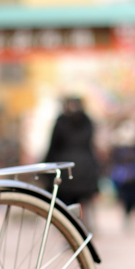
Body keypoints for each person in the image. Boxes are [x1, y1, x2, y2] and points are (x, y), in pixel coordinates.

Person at [44, 96, 101, 224]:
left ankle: (69, 227)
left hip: (66, 169)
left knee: (66, 204)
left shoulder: (61, 122)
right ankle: (81, 227)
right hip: (85, 168)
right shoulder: (87, 122)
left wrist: (47, 169)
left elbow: (53, 146)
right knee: (83, 203)